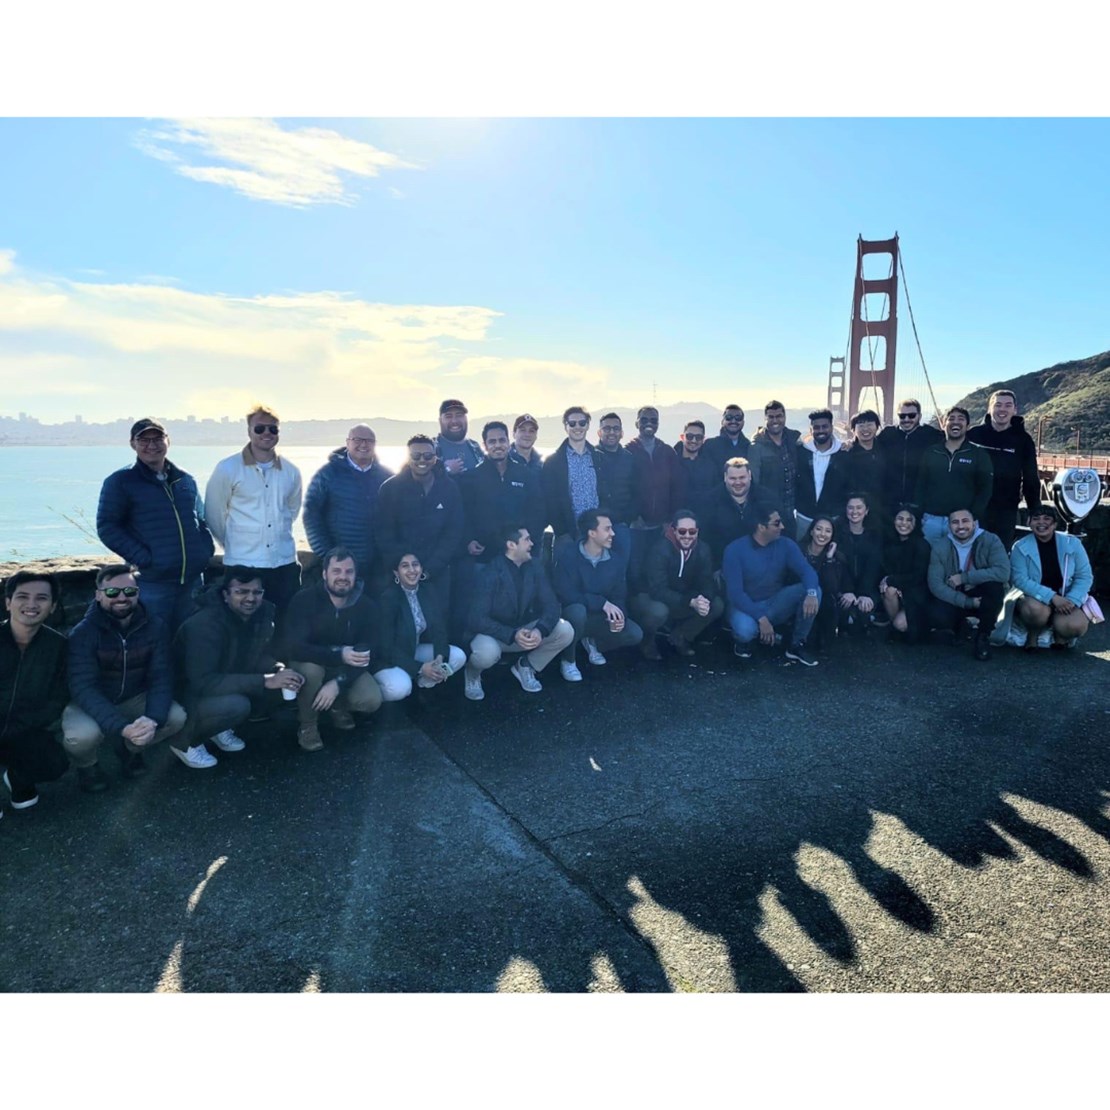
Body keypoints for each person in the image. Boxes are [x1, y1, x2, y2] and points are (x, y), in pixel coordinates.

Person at [62, 565, 186, 792]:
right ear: (98, 595)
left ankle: (130, 750)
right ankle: (88, 766)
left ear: (138, 593)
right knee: (81, 737)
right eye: (112, 592)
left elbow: (161, 677)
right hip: (92, 701)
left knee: (175, 717)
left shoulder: (155, 626)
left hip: (134, 696)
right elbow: (83, 687)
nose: (122, 597)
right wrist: (121, 727)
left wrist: (152, 718)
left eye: (129, 592)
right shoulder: (83, 633)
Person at [172, 567, 305, 768]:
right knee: (237, 705)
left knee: (278, 686)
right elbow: (201, 682)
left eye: (256, 592)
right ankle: (184, 742)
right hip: (184, 694)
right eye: (241, 591)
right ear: (225, 594)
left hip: (221, 680)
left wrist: (277, 669)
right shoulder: (204, 625)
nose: (250, 598)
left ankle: (216, 729)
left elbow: (255, 656)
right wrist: (265, 680)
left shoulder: (260, 616)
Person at [96, 418, 214, 635]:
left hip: (192, 580)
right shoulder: (121, 481)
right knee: (154, 640)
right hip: (152, 582)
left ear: (168, 441)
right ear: (133, 444)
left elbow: (200, 518)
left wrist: (205, 551)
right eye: (144, 439)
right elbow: (107, 527)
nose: (152, 445)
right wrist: (145, 559)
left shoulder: (185, 480)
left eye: (158, 438)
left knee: (191, 639)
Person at [204, 404, 304, 613]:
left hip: (284, 564)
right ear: (249, 431)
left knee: (285, 626)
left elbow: (291, 511)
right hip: (243, 564)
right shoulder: (228, 468)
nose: (266, 433)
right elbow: (214, 515)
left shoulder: (291, 471)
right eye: (260, 428)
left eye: (273, 429)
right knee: (241, 629)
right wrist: (234, 543)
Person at [283, 548, 383, 751]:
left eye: (349, 572)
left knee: (371, 699)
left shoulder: (367, 606)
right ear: (324, 574)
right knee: (311, 672)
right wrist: (338, 654)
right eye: (336, 571)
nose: (343, 577)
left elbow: (368, 654)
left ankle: (337, 705)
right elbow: (295, 647)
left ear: (356, 575)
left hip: (342, 668)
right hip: (310, 661)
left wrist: (338, 683)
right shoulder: (304, 600)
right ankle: (308, 725)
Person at [464, 525, 576, 698]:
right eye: (527, 539)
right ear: (511, 545)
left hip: (526, 631)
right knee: (486, 655)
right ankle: (472, 674)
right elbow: (476, 619)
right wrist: (512, 634)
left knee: (565, 630)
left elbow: (552, 605)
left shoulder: (535, 566)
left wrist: (540, 629)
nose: (532, 543)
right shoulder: (490, 572)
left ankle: (526, 666)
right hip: (495, 635)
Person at [1, 572, 69, 813]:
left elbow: (60, 694)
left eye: (41, 598)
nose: (31, 604)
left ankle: (17, 777)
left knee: (54, 764)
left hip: (25, 728)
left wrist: (30, 723)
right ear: (8, 602)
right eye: (22, 596)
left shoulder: (59, 646)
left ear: (52, 607)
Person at [722, 503, 820, 666]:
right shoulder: (734, 550)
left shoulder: (786, 544)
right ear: (761, 527)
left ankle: (796, 644)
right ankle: (745, 640)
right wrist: (761, 618)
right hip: (744, 606)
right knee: (746, 631)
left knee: (815, 590)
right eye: (776, 523)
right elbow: (735, 594)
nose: (782, 526)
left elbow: (806, 571)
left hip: (774, 602)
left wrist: (811, 593)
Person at [376, 434, 465, 613]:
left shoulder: (449, 488)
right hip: (400, 576)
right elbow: (383, 532)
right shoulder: (390, 489)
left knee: (437, 628)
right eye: (416, 456)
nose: (421, 460)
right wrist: (402, 567)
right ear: (408, 458)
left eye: (427, 455)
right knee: (401, 628)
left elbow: (454, 531)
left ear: (435, 458)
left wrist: (432, 568)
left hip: (437, 574)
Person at [553, 509, 644, 674]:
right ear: (592, 533)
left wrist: (619, 617)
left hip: (598, 618)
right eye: (607, 529)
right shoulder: (568, 555)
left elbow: (619, 596)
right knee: (577, 612)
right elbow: (565, 594)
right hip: (571, 616)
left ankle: (592, 642)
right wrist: (601, 602)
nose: (613, 533)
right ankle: (568, 660)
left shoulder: (615, 561)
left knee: (634, 633)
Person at [302, 423, 394, 587]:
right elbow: (311, 515)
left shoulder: (386, 476)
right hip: (341, 566)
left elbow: (396, 517)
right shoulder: (328, 474)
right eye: (357, 440)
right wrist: (328, 555)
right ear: (347, 442)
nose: (363, 445)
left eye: (369, 440)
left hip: (378, 565)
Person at [993, 505, 1093, 650]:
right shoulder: (1020, 547)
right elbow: (1020, 580)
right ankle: (1032, 635)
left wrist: (1072, 600)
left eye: (1047, 519)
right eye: (1036, 519)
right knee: (1036, 610)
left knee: (1076, 626)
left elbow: (1084, 576)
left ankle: (1060, 634)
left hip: (1065, 596)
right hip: (1032, 597)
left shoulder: (1073, 544)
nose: (1041, 523)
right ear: (1029, 522)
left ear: (1055, 524)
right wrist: (1052, 597)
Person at [631, 510, 723, 659]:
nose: (687, 536)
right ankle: (647, 641)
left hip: (682, 596)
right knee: (658, 611)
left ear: (697, 532)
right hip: (650, 596)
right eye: (682, 531)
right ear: (673, 530)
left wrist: (702, 600)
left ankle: (680, 636)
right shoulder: (660, 550)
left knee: (716, 604)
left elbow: (706, 581)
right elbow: (657, 590)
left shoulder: (703, 549)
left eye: (692, 531)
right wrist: (690, 601)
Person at [375, 552, 467, 701]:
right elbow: (386, 648)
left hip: (414, 649)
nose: (412, 570)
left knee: (458, 656)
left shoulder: (428, 590)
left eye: (415, 564)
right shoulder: (389, 598)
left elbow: (439, 629)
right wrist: (420, 667)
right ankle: (379, 696)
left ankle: (422, 684)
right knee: (399, 688)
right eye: (405, 566)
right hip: (392, 658)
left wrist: (439, 657)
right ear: (395, 572)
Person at [926, 509, 1009, 661]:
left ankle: (983, 636)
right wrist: (968, 602)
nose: (960, 526)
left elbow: (1003, 572)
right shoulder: (940, 546)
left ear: (975, 523)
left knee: (994, 588)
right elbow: (936, 585)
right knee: (936, 611)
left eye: (965, 521)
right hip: (955, 593)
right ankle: (959, 626)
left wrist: (964, 578)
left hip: (980, 590)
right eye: (955, 522)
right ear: (949, 526)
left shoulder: (991, 540)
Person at [965, 389, 1042, 550]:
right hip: (973, 508)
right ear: (989, 408)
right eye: (998, 405)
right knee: (969, 557)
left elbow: (1031, 478)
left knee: (998, 558)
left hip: (1005, 511)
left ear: (1015, 410)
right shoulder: (973, 435)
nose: (1002, 409)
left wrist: (1035, 510)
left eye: (1008, 405)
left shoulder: (1023, 440)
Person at [914, 406, 994, 545]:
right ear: (943, 424)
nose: (955, 422)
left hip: (963, 523)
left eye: (961, 419)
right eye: (951, 419)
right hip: (931, 521)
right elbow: (920, 484)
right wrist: (920, 513)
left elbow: (985, 489)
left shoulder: (978, 454)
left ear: (967, 426)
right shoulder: (931, 452)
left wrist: (972, 516)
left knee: (961, 565)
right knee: (929, 563)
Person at [626, 406, 687, 584]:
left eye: (653, 420)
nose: (649, 424)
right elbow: (624, 487)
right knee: (635, 569)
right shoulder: (628, 451)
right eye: (644, 419)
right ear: (637, 422)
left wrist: (670, 519)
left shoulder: (667, 451)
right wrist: (633, 516)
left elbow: (677, 487)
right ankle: (634, 609)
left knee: (657, 568)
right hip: (636, 526)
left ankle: (657, 607)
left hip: (662, 525)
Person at [541, 407, 608, 548]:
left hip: (596, 533)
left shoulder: (599, 458)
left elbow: (605, 493)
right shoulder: (553, 462)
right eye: (572, 423)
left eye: (582, 423)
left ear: (588, 425)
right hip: (567, 534)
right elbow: (549, 500)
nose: (577, 427)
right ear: (565, 427)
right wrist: (562, 531)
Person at [877, 397, 943, 513]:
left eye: (911, 415)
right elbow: (868, 446)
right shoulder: (887, 434)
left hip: (919, 506)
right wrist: (851, 443)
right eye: (902, 416)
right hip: (890, 504)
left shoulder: (932, 436)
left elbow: (956, 441)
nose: (906, 419)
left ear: (920, 416)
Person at [700, 457, 767, 570]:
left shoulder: (766, 498)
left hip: (760, 564)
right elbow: (706, 539)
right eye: (732, 478)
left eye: (742, 477)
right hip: (724, 566)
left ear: (750, 476)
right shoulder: (709, 502)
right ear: (725, 477)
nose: (737, 482)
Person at [878, 504, 932, 643]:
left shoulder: (922, 545)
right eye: (900, 519)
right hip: (897, 591)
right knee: (888, 590)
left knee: (902, 624)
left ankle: (901, 626)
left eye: (909, 520)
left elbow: (919, 576)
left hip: (917, 594)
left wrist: (894, 581)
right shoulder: (889, 543)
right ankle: (894, 627)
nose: (904, 523)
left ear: (915, 523)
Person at [795, 409, 850, 540]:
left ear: (832, 427)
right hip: (804, 517)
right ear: (811, 430)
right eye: (816, 427)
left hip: (833, 518)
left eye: (825, 426)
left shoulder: (844, 454)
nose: (820, 431)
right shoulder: (800, 451)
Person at [832, 493, 882, 636]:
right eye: (850, 508)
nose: (854, 512)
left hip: (866, 587)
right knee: (844, 616)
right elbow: (839, 564)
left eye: (859, 507)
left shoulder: (874, 535)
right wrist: (847, 590)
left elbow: (873, 566)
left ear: (866, 511)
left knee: (864, 612)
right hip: (843, 587)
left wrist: (865, 594)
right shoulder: (837, 533)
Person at [798, 515, 847, 655]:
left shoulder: (836, 556)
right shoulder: (798, 549)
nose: (822, 534)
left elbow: (832, 587)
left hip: (823, 602)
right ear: (812, 531)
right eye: (819, 529)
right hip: (799, 596)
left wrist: (829, 559)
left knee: (827, 601)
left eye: (828, 531)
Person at [747, 400, 801, 525]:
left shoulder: (793, 440)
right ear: (765, 419)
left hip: (791, 513)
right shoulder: (756, 447)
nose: (775, 421)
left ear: (785, 417)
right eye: (771, 417)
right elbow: (753, 483)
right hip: (769, 516)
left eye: (779, 416)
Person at [593, 412, 641, 537]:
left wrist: (628, 518)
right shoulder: (591, 457)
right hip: (596, 526)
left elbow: (636, 491)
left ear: (621, 433)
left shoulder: (629, 458)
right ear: (599, 433)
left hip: (622, 525)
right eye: (607, 428)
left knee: (622, 556)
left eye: (616, 428)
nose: (612, 432)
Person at [844, 409, 886, 516]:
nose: (865, 429)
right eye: (861, 425)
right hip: (855, 511)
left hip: (882, 508)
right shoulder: (847, 453)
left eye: (870, 424)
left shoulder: (885, 448)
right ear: (853, 430)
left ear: (877, 427)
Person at [672, 421, 719, 513]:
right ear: (682, 437)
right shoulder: (671, 462)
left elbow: (716, 493)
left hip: (705, 520)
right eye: (689, 436)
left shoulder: (710, 465)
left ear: (703, 440)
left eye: (698, 437)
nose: (693, 440)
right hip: (677, 520)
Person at [435, 399, 484, 474]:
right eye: (448, 416)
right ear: (440, 421)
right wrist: (445, 469)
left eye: (459, 415)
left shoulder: (475, 447)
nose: (454, 421)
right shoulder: (430, 448)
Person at [702, 405, 751, 472]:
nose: (733, 421)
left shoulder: (749, 447)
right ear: (722, 422)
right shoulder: (710, 445)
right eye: (729, 417)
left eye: (738, 418)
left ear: (743, 422)